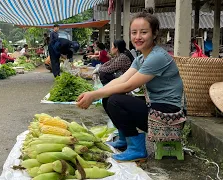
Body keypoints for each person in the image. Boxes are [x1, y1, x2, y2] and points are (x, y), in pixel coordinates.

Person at [76, 11, 184, 162]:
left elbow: (128, 85)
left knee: (115, 101)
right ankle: (124, 139)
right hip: (155, 107)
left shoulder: (157, 57)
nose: (138, 37)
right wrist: (95, 93)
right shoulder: (141, 58)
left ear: (154, 34)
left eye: (144, 32)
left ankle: (137, 149)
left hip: (167, 114)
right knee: (108, 99)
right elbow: (121, 80)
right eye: (134, 32)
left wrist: (94, 95)